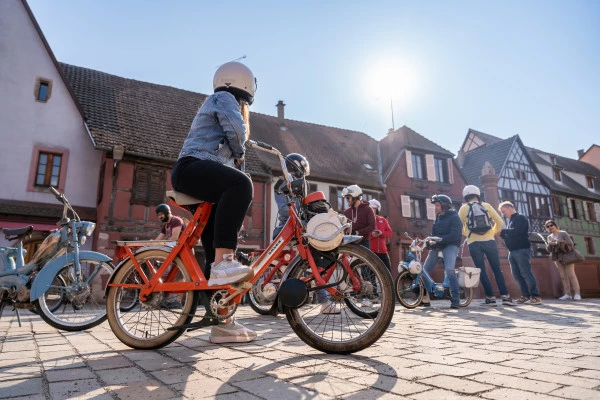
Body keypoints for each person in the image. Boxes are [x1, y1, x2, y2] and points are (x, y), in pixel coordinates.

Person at [171, 61, 257, 343]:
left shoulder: (220, 101)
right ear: (244, 87)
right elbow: (235, 129)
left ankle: (222, 322)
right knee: (242, 183)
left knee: (212, 248)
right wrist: (243, 148)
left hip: (203, 179)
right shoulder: (223, 97)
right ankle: (225, 262)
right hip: (192, 168)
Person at [271, 154, 339, 314]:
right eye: (301, 168)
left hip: (301, 228)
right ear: (295, 167)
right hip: (287, 228)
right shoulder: (282, 184)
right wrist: (302, 213)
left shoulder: (302, 185)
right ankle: (324, 302)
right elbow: (284, 209)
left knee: (314, 260)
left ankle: (288, 300)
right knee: (311, 261)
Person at [458, 186, 515, 306]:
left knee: (481, 270)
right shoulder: (486, 206)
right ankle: (505, 297)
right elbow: (500, 222)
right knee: (496, 269)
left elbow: (459, 227)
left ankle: (490, 298)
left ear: (466, 196)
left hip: (474, 243)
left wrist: (468, 234)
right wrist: (492, 232)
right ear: (477, 194)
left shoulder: (463, 209)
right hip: (490, 242)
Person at [422, 194, 463, 309]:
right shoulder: (438, 218)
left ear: (445, 206)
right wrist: (430, 241)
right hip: (438, 245)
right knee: (424, 271)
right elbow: (434, 234)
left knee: (450, 270)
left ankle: (456, 299)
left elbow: (455, 235)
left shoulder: (454, 217)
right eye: (435, 205)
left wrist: (441, 239)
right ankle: (425, 298)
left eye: (437, 205)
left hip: (451, 245)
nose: (435, 207)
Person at [498, 201, 542, 305]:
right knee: (517, 275)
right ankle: (525, 296)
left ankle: (536, 296)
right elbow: (512, 235)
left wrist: (503, 232)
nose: (503, 214)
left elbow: (518, 231)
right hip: (512, 251)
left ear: (509, 207)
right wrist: (502, 234)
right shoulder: (511, 221)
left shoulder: (520, 217)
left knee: (526, 273)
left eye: (503, 211)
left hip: (522, 249)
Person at [545, 219, 582, 301]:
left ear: (555, 225)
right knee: (563, 276)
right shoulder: (549, 237)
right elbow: (549, 250)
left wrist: (557, 242)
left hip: (567, 256)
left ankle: (577, 293)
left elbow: (570, 243)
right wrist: (549, 245)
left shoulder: (563, 233)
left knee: (571, 275)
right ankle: (567, 294)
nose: (550, 227)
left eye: (551, 225)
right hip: (557, 258)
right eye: (548, 226)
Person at [368, 199, 392, 272]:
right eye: (370, 209)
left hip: (383, 251)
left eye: (373, 209)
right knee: (371, 274)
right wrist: (372, 235)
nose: (371, 210)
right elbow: (363, 234)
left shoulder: (383, 220)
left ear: (377, 210)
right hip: (371, 251)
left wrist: (381, 233)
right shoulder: (367, 221)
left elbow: (390, 232)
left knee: (388, 272)